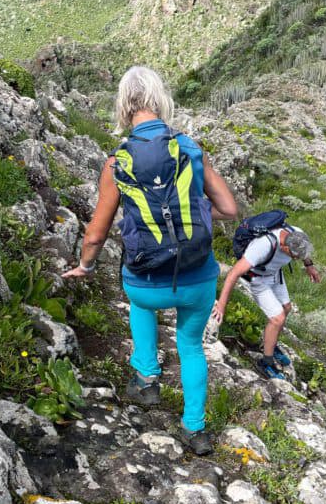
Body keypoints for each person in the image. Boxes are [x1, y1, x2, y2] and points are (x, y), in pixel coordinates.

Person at [63, 65, 238, 455]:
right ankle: (195, 429)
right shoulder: (190, 149)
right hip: (198, 279)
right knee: (191, 347)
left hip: (146, 283)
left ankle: (146, 379)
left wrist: (85, 266)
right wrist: (196, 212)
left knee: (140, 302)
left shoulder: (117, 162)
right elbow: (229, 207)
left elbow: (96, 233)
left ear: (125, 106)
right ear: (161, 101)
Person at [211, 220, 320, 379]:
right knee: (277, 318)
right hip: (259, 279)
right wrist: (221, 304)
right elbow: (233, 273)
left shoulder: (296, 233)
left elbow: (303, 251)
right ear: (284, 247)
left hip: (275, 274)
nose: (296, 259)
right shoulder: (262, 246)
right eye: (294, 256)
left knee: (286, 308)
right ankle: (266, 362)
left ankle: (270, 343)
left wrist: (309, 266)